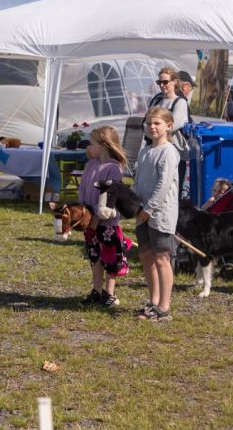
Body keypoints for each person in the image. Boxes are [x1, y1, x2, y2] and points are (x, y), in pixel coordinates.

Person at [132, 106, 180, 322]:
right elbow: (138, 181)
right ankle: (153, 301)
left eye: (157, 123)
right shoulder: (144, 151)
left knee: (162, 258)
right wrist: (134, 205)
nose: (152, 127)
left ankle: (165, 306)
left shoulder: (169, 152)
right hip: (141, 212)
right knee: (146, 256)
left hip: (160, 214)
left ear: (168, 126)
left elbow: (163, 184)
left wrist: (149, 210)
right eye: (149, 123)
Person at [78, 126, 131, 308]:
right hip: (90, 220)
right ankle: (96, 290)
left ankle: (110, 293)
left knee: (110, 258)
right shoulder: (91, 164)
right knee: (95, 257)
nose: (89, 147)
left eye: (92, 144)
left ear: (103, 145)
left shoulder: (114, 169)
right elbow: (83, 189)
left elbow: (108, 198)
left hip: (106, 223)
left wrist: (96, 219)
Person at [145, 67, 189, 197]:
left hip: (174, 150)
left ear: (175, 81)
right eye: (159, 82)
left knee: (171, 189)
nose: (162, 85)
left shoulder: (180, 102)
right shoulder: (156, 100)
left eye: (165, 82)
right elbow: (145, 123)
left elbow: (174, 125)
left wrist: (152, 130)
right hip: (153, 149)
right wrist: (152, 130)